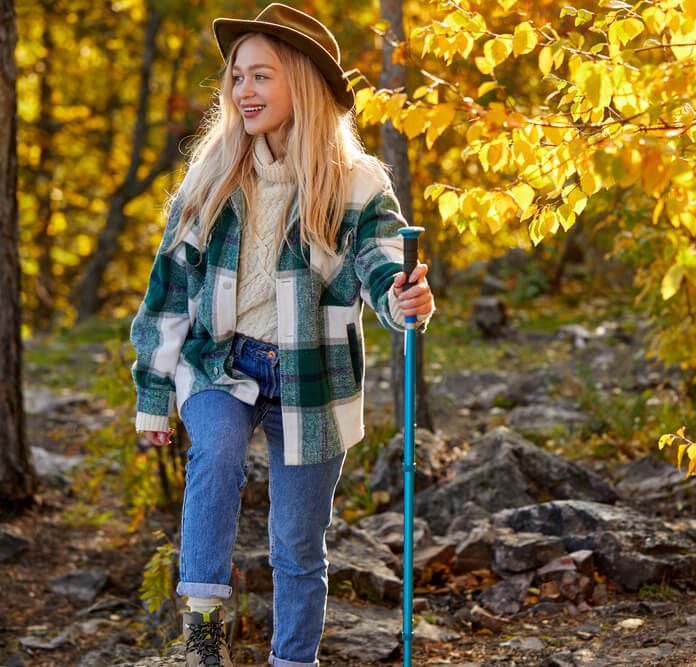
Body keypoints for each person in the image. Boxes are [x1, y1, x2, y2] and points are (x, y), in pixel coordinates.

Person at [129, 4, 435, 666]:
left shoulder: (355, 184)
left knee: (298, 541)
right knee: (216, 452)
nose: (244, 90)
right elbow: (168, 292)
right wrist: (154, 395)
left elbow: (382, 264)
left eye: (262, 75)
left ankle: (293, 660)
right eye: (237, 76)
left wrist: (402, 297)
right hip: (222, 364)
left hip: (313, 379)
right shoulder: (211, 177)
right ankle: (203, 633)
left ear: (303, 83)